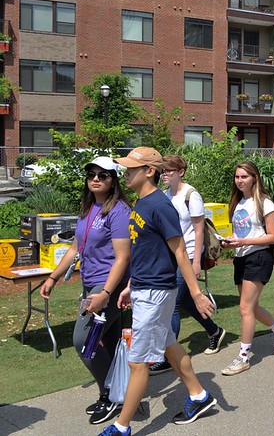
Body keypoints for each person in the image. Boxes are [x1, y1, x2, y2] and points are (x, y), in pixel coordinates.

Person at [98, 147, 217, 436]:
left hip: (156, 292)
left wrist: (196, 293)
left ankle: (121, 427)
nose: (124, 173)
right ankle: (200, 396)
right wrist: (129, 285)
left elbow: (179, 253)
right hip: (143, 288)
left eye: (130, 168)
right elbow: (145, 251)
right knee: (168, 344)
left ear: (149, 171)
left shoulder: (161, 206)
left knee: (138, 362)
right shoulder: (141, 203)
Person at [40, 157, 132, 426]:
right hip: (90, 283)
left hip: (107, 288)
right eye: (91, 174)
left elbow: (123, 258)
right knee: (111, 344)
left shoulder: (119, 211)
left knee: (83, 340)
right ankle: (120, 394)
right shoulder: (90, 207)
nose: (95, 179)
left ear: (113, 179)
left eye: (103, 175)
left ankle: (112, 395)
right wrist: (53, 277)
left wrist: (105, 292)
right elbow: (74, 248)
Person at [149, 155, 226, 375]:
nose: (164, 175)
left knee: (172, 303)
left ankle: (167, 356)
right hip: (171, 255)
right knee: (182, 299)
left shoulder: (191, 195)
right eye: (162, 171)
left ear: (181, 172)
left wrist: (196, 262)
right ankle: (214, 330)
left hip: (189, 254)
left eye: (169, 171)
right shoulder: (165, 195)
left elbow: (199, 229)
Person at [221, 161, 274, 376]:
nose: (239, 181)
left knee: (245, 308)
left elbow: (273, 237)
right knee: (251, 306)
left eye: (244, 177)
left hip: (259, 257)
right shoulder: (238, 203)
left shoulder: (265, 203)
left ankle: (243, 357)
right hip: (240, 257)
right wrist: (230, 240)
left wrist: (243, 242)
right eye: (237, 177)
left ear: (254, 179)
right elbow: (242, 233)